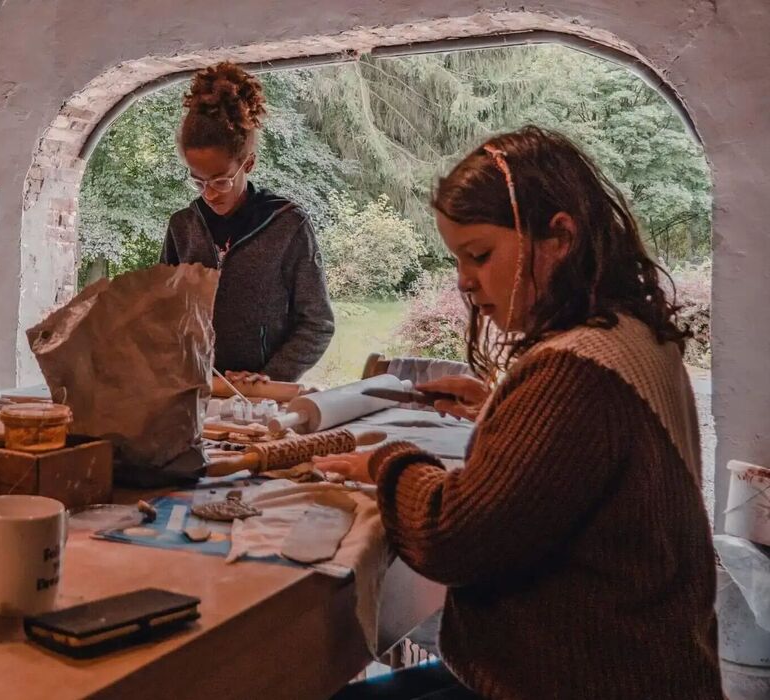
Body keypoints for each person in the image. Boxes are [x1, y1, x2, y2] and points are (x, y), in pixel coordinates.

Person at [315, 126, 721, 699]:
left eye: (479, 255)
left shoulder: (574, 374)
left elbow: (449, 535)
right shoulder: (632, 334)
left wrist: (387, 462)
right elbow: (579, 467)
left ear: (558, 237)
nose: (464, 280)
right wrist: (499, 412)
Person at [159, 62, 334, 384]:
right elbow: (163, 317)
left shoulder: (288, 225)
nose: (209, 194)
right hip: (193, 392)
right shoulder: (182, 227)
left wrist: (269, 376)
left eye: (221, 181)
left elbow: (317, 323)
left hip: (262, 397)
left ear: (248, 164)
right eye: (197, 182)